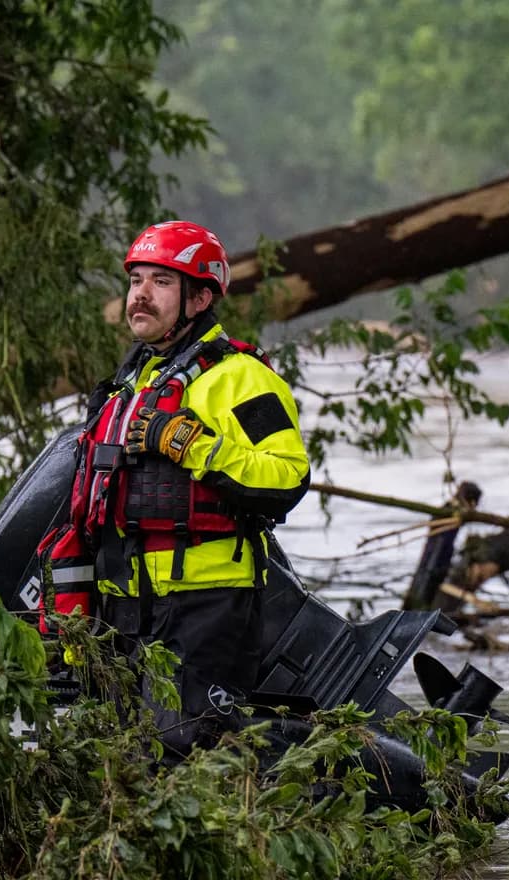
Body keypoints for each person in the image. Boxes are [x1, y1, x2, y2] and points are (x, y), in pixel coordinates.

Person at [39, 220, 310, 760]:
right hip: (122, 608)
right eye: (136, 280)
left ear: (200, 298)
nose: (141, 294)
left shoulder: (240, 377)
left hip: (204, 608)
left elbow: (286, 477)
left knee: (182, 758)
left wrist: (191, 444)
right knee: (119, 760)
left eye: (161, 282)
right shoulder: (130, 384)